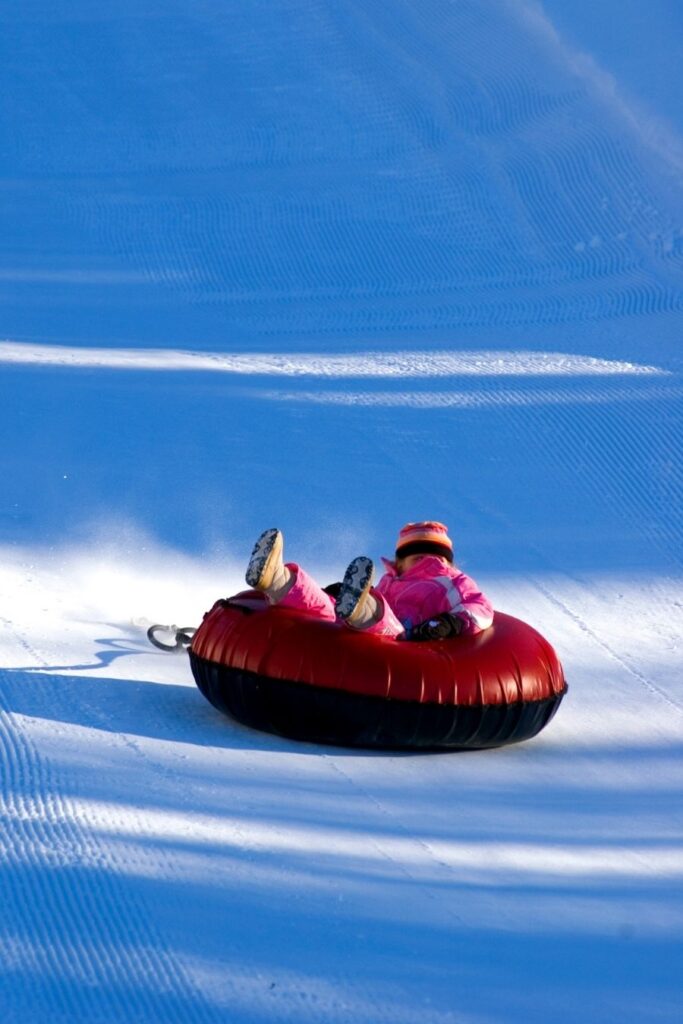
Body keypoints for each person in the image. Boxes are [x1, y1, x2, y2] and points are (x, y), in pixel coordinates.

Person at [245, 521, 493, 641]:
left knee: (378, 615)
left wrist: (450, 623)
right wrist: (339, 592)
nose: (427, 558)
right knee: (323, 605)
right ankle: (277, 578)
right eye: (416, 555)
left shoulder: (454, 580)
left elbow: (480, 608)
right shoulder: (390, 580)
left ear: (447, 561)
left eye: (434, 555)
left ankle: (360, 607)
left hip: (405, 638)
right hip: (361, 630)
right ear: (400, 561)